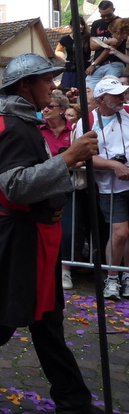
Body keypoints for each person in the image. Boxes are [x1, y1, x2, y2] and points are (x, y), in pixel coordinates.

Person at [0, 53, 121, 414]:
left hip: (31, 236)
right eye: (46, 80)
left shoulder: (22, 123)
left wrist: (66, 162)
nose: (53, 86)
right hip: (16, 236)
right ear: (25, 86)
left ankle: (72, 403)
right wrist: (68, 158)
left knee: (47, 322)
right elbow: (16, 185)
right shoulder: (10, 128)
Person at [74, 77, 129, 300]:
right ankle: (112, 278)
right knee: (120, 233)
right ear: (102, 99)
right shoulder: (87, 121)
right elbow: (83, 156)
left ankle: (126, 276)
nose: (122, 97)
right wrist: (114, 165)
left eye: (122, 93)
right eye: (117, 95)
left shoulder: (127, 113)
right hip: (110, 187)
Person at [39, 93, 77, 290]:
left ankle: (65, 270)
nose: (45, 109)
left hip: (69, 186)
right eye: (44, 106)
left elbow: (82, 156)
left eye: (50, 106)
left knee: (68, 231)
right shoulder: (38, 130)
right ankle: (45, 268)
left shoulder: (74, 130)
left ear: (62, 110)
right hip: (44, 186)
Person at [86, 0, 125, 89]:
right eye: (103, 16)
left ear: (113, 10)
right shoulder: (96, 24)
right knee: (89, 90)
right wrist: (107, 41)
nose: (106, 18)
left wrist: (94, 64)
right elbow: (92, 46)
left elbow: (111, 48)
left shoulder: (119, 22)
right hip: (98, 65)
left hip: (114, 63)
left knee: (109, 90)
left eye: (108, 15)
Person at [56, 17, 90, 90]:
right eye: (78, 24)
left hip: (85, 70)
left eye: (82, 24)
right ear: (71, 27)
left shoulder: (88, 37)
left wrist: (94, 57)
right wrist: (64, 57)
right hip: (70, 70)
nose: (80, 26)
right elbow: (58, 50)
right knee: (67, 91)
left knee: (84, 92)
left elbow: (98, 47)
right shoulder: (66, 39)